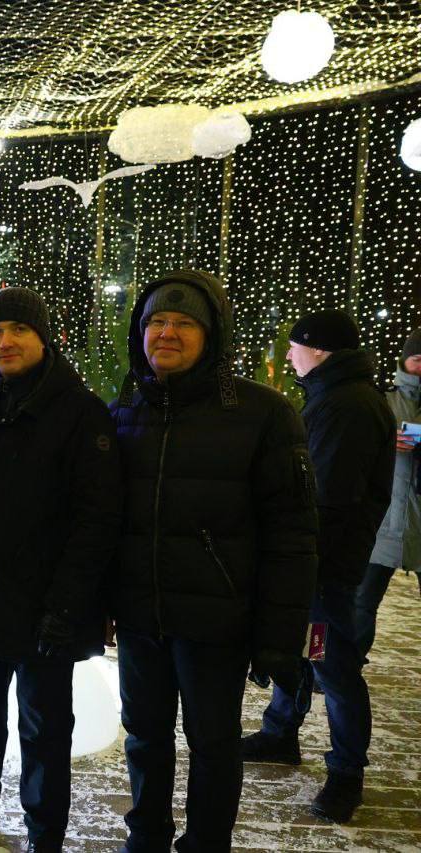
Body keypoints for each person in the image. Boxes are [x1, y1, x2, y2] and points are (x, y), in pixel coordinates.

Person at [109, 270, 318, 853]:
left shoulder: (262, 413)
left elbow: (293, 534)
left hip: (217, 619)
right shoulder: (124, 410)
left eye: (183, 323)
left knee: (213, 743)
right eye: (156, 321)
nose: (167, 333)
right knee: (144, 736)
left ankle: (205, 843)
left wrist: (279, 636)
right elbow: (101, 522)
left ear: (212, 334)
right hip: (141, 616)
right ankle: (146, 837)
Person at [0, 287, 122, 853]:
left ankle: (44, 831)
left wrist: (68, 605)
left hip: (45, 608)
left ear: (43, 338)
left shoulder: (80, 413)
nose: (5, 341)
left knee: (44, 728)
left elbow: (96, 520)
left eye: (18, 330)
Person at [241, 309, 393, 824]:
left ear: (320, 350)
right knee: (302, 647)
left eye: (295, 346)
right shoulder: (334, 396)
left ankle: (346, 773)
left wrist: (300, 559)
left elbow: (326, 496)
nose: (288, 355)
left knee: (333, 664)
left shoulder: (348, 406)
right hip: (314, 559)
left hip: (323, 565)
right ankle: (280, 733)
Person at [357, 326, 421, 656]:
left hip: (418, 523)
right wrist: (385, 444)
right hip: (383, 525)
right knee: (361, 604)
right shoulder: (382, 400)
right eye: (417, 358)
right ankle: (345, 666)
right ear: (404, 360)